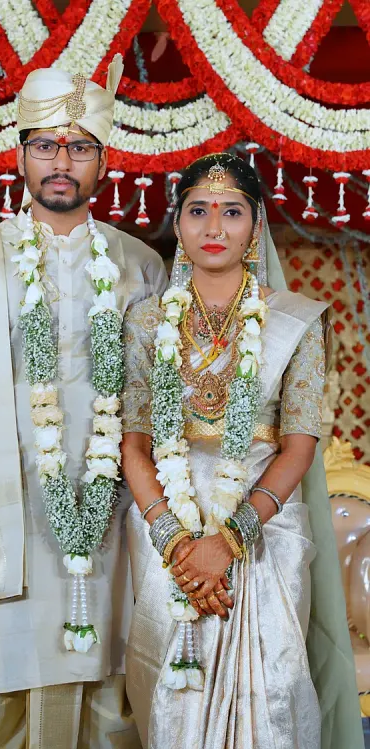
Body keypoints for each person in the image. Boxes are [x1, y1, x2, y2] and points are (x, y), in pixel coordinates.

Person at [0, 55, 167, 748]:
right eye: (47, 145)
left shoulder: (140, 265)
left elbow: (151, 407)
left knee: (105, 709)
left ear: (103, 161)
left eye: (80, 147)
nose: (62, 161)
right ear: (20, 154)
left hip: (104, 528)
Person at [121, 152, 363, 749]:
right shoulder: (146, 321)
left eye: (232, 211)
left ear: (255, 226)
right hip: (165, 529)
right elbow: (133, 444)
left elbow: (298, 449)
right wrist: (176, 541)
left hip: (263, 530)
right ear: (178, 223)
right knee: (173, 698)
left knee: (272, 693)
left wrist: (227, 542)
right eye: (198, 210)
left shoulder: (296, 322)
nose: (214, 227)